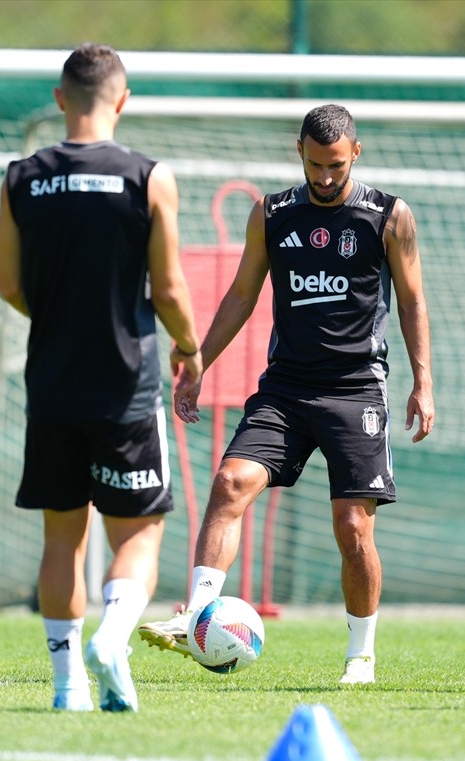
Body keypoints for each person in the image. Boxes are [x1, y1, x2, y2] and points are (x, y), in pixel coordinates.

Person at [139, 104, 435, 685]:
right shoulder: (272, 214)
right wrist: (198, 360)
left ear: (356, 153)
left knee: (353, 527)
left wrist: (423, 381)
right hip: (286, 389)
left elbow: (412, 300)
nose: (325, 177)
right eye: (315, 163)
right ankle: (196, 615)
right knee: (229, 483)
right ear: (297, 149)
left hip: (356, 390)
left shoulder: (389, 216)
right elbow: (243, 294)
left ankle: (361, 656)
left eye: (335, 166)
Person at [0, 43, 202, 712]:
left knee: (62, 536)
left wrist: (60, 317)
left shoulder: (20, 177)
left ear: (60, 100)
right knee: (138, 535)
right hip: (127, 385)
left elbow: (9, 287)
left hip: (52, 384)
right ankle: (113, 636)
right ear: (122, 99)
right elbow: (169, 287)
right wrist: (190, 347)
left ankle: (68, 689)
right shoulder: (148, 177)